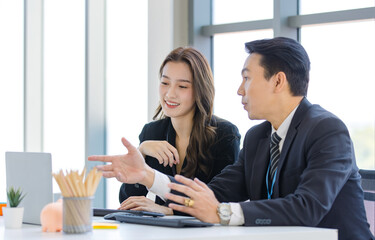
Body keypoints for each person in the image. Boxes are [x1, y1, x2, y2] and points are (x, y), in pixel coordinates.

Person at [89, 37, 374, 240]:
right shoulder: (258, 138)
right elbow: (213, 194)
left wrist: (221, 213)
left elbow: (307, 207)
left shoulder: (327, 130)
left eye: (247, 78)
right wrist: (149, 176)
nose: (240, 90)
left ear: (278, 81)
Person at [116, 47, 241, 215]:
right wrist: (142, 152)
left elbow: (219, 202)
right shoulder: (152, 133)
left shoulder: (225, 134)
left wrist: (168, 211)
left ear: (200, 90)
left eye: (182, 86)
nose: (170, 94)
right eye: (165, 83)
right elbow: (128, 201)